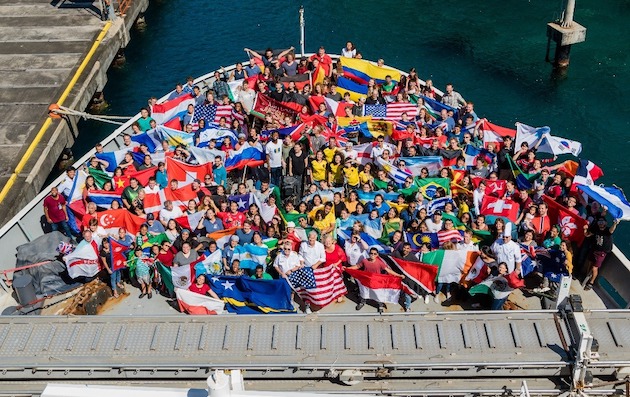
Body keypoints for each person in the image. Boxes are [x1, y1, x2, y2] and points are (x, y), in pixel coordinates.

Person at [349, 247, 404, 313]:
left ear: (377, 255)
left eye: (374, 254)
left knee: (378, 294)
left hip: (376, 282)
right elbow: (357, 266)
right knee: (364, 292)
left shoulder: (380, 263)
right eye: (371, 253)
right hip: (366, 281)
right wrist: (348, 268)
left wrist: (398, 275)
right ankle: (362, 302)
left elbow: (388, 270)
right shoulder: (365, 261)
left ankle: (380, 305)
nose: (373, 255)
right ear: (369, 254)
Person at [583, 217, 619, 290]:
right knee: (589, 263)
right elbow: (587, 235)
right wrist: (585, 229)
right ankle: (587, 276)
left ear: (606, 223)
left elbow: (612, 230)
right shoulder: (596, 229)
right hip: (595, 249)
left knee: (594, 267)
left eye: (602, 222)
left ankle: (591, 282)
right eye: (599, 222)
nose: (601, 223)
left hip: (602, 252)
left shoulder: (607, 231)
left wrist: (615, 223)